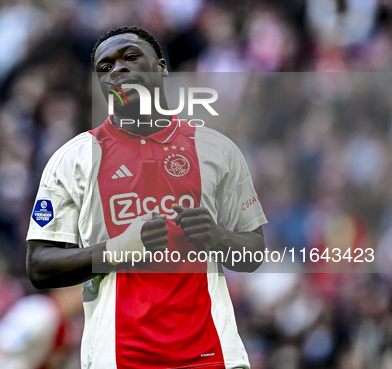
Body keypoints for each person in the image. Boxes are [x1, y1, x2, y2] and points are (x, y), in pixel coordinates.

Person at [26, 26, 267, 369]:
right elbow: (39, 266)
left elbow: (253, 253)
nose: (118, 70)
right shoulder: (74, 159)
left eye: (130, 57)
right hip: (119, 356)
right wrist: (114, 251)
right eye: (105, 68)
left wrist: (219, 237)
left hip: (212, 356)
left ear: (162, 68)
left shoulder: (216, 150)